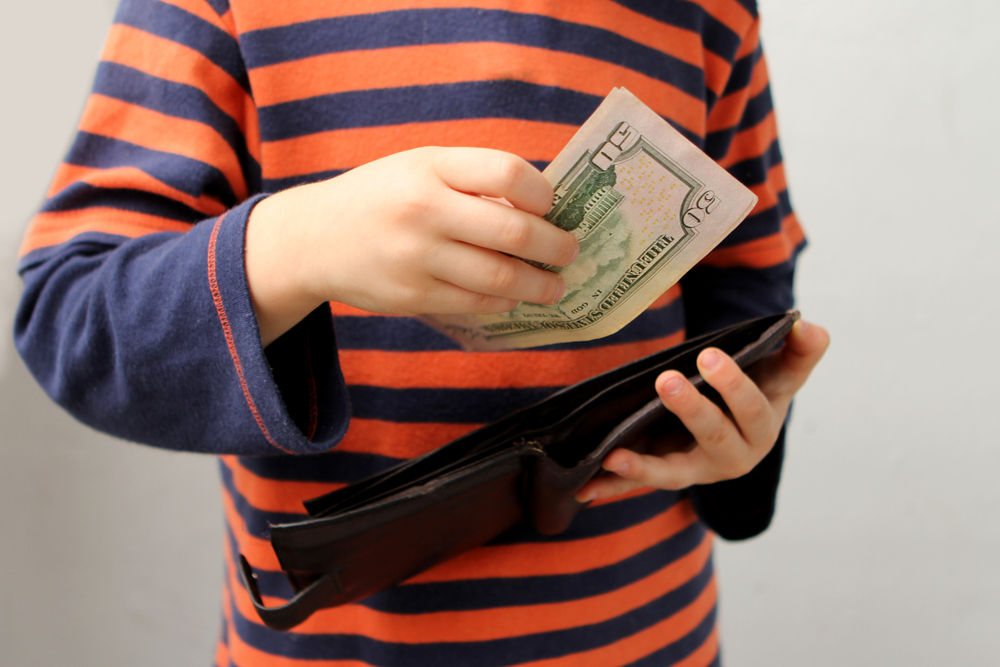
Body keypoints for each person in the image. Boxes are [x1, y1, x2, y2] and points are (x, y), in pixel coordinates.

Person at [14, 1, 828, 665]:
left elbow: (745, 276)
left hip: (648, 632)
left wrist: (739, 432)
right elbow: (71, 319)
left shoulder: (709, 12)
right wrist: (303, 244)